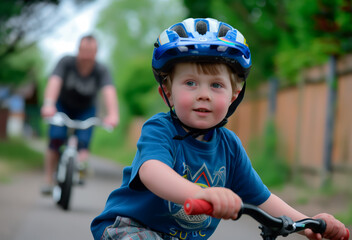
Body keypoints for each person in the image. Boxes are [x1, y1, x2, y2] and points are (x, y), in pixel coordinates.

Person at [90, 18, 347, 240]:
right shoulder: (160, 129)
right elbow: (152, 172)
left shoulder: (229, 147)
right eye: (190, 83)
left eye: (216, 85)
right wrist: (203, 193)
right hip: (131, 228)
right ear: (167, 92)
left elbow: (262, 198)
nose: (204, 95)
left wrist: (310, 223)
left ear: (234, 94)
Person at [41, 34, 119, 194]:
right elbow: (55, 81)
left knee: (83, 143)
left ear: (96, 53)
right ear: (78, 49)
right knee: (55, 140)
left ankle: (80, 167)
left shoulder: (101, 70)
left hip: (86, 109)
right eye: (83, 50)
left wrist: (113, 114)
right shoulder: (66, 62)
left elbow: (108, 91)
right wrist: (49, 104)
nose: (86, 55)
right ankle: (48, 179)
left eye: (90, 51)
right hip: (62, 106)